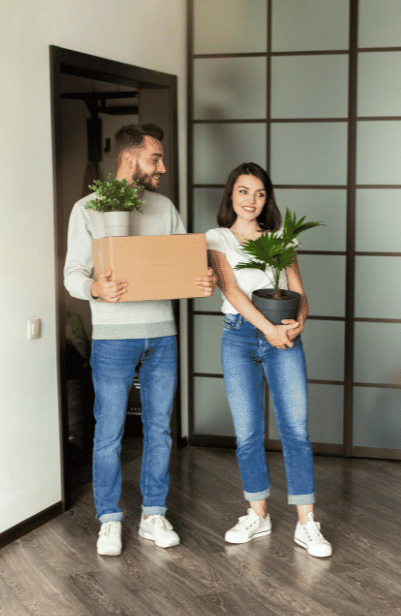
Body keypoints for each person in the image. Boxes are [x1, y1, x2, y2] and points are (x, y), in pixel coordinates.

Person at [64, 123, 215, 556]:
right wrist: (96, 288)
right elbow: (74, 273)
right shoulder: (87, 209)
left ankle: (153, 514)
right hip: (113, 339)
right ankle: (109, 520)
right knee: (109, 433)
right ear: (129, 159)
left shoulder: (165, 208)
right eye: (155, 159)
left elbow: (185, 268)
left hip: (162, 337)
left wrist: (201, 279)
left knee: (159, 430)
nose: (162, 167)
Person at [203, 162, 332, 558]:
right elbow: (231, 290)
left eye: (259, 194)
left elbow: (299, 292)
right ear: (231, 195)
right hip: (239, 336)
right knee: (247, 432)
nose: (251, 201)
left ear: (266, 199)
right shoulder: (218, 237)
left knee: (295, 429)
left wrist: (299, 325)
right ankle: (257, 514)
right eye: (243, 192)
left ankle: (307, 522)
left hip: (284, 336)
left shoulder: (279, 239)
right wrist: (268, 330)